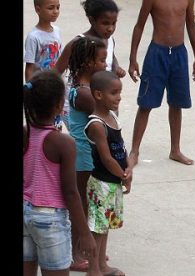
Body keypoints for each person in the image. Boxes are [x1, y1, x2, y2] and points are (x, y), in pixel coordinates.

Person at [23, 70, 97, 276]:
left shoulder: (24, 133)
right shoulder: (63, 143)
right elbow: (71, 192)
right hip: (50, 219)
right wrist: (85, 233)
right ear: (58, 106)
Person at [128, 0, 195, 166]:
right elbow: (139, 25)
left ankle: (175, 150)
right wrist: (133, 58)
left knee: (177, 103)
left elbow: (191, 25)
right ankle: (134, 150)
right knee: (146, 103)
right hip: (157, 53)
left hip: (179, 54)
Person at [84, 71, 132, 276]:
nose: (119, 97)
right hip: (101, 184)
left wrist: (128, 170)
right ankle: (93, 269)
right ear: (98, 95)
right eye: (114, 93)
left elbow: (120, 148)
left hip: (113, 181)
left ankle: (102, 265)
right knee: (97, 229)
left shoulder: (112, 116)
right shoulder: (96, 124)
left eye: (119, 92)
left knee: (105, 227)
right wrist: (123, 174)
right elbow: (107, 158)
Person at [67, 36, 108, 272]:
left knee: (86, 203)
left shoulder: (84, 89)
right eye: (101, 60)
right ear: (87, 64)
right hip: (83, 155)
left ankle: (86, 249)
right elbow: (103, 112)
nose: (105, 65)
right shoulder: (84, 94)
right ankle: (75, 254)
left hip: (85, 153)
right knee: (81, 205)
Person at [55, 0, 125, 128]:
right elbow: (56, 71)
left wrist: (116, 67)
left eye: (114, 23)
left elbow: (111, 57)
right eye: (105, 23)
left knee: (103, 130)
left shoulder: (109, 40)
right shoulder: (79, 43)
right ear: (92, 20)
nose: (110, 28)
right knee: (89, 136)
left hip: (101, 96)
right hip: (79, 101)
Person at [24, 0, 63, 130]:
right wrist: (31, 91)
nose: (55, 11)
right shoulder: (33, 37)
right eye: (51, 8)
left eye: (58, 7)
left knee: (57, 124)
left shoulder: (57, 31)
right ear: (38, 9)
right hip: (41, 88)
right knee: (42, 124)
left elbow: (59, 58)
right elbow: (29, 67)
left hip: (55, 85)